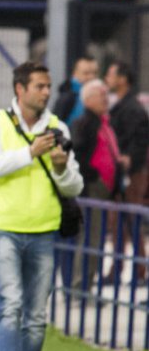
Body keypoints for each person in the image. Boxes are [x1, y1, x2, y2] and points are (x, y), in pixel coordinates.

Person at [0, 61, 83, 351]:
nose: (46, 92)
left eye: (48, 86)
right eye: (39, 86)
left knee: (36, 317)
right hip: (2, 227)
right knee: (11, 307)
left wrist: (60, 167)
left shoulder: (58, 126)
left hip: (43, 229)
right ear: (20, 89)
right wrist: (29, 153)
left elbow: (75, 186)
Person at [70, 79, 122, 290]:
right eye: (102, 95)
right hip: (92, 189)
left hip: (102, 190)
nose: (106, 100)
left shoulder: (102, 122)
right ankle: (80, 286)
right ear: (89, 99)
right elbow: (78, 155)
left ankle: (86, 284)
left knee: (96, 239)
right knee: (90, 239)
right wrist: (95, 178)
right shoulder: (85, 123)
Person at [105, 61, 149, 283]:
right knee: (119, 222)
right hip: (121, 173)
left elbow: (139, 142)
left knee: (130, 221)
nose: (107, 79)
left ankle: (138, 270)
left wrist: (129, 164)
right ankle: (118, 268)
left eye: (111, 75)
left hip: (130, 174)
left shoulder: (132, 108)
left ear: (123, 79)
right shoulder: (121, 106)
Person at [53, 55, 98, 126]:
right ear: (75, 73)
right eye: (86, 73)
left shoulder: (100, 96)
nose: (91, 77)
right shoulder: (67, 97)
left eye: (95, 73)